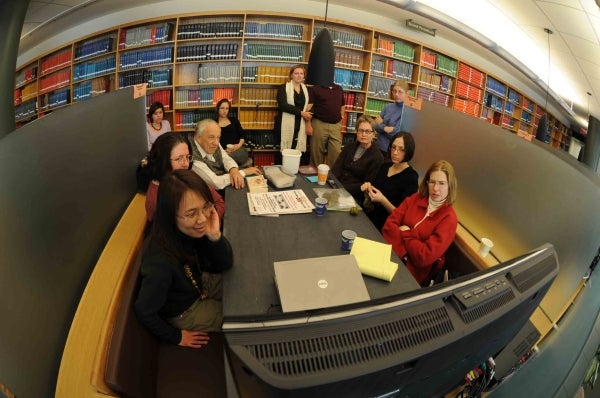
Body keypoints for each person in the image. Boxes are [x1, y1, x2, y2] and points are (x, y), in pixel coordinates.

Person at [135, 169, 233, 347]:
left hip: (197, 283)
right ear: (170, 215)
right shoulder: (159, 261)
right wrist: (176, 337)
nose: (202, 219)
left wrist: (215, 236)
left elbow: (226, 263)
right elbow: (144, 310)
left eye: (206, 207)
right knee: (239, 314)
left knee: (241, 286)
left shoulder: (192, 230)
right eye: (191, 214)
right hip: (185, 310)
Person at [382, 160, 458, 287]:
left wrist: (406, 233)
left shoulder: (449, 219)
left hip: (411, 274)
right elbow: (389, 226)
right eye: (432, 182)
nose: (435, 188)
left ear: (450, 186)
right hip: (389, 254)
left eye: (442, 183)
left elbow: (424, 257)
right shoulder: (416, 198)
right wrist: (407, 252)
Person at [139, 132, 225, 223]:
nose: (186, 164)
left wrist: (209, 220)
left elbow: (219, 201)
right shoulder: (156, 198)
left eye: (187, 157)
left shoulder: (188, 174)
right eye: (178, 159)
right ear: (162, 162)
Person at [360, 132, 418, 231]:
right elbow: (374, 190)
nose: (395, 152)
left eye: (401, 149)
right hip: (369, 216)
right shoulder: (385, 166)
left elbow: (402, 216)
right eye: (393, 147)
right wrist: (368, 189)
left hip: (386, 225)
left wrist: (383, 200)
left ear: (409, 152)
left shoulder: (411, 177)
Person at [189, 119, 262, 191]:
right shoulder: (191, 157)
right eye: (211, 137)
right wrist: (243, 172)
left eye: (218, 137)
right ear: (199, 138)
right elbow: (216, 183)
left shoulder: (214, 140)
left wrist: (233, 170)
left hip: (225, 177)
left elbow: (225, 157)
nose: (216, 143)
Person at [331, 115, 384, 203]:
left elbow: (366, 185)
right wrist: (333, 185)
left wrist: (341, 188)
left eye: (367, 131)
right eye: (361, 131)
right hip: (336, 188)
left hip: (355, 196)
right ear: (356, 132)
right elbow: (336, 169)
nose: (363, 134)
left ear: (373, 134)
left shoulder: (377, 157)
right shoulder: (348, 147)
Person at [275, 65, 312, 154]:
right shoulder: (283, 88)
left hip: (301, 124)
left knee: (297, 152)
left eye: (301, 73)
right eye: (296, 73)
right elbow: (283, 105)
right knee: (285, 152)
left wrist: (307, 120)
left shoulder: (306, 89)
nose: (299, 76)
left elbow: (308, 107)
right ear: (291, 75)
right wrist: (301, 113)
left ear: (304, 76)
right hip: (284, 123)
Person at [308, 81, 345, 168]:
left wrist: (341, 117)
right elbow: (308, 108)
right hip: (319, 124)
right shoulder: (315, 88)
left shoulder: (339, 88)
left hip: (335, 125)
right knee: (316, 154)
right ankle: (314, 178)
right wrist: (308, 124)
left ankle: (332, 179)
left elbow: (342, 105)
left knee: (335, 153)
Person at [374, 80, 409, 156]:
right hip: (378, 146)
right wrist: (386, 128)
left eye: (400, 92)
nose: (396, 94)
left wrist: (382, 124)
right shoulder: (388, 107)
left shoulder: (407, 111)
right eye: (394, 91)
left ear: (406, 93)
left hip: (392, 150)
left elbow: (396, 133)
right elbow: (375, 125)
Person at [215, 98, 251, 167]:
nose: (224, 111)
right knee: (221, 156)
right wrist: (224, 151)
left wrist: (238, 146)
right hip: (223, 151)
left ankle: (226, 163)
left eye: (227, 108)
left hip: (238, 150)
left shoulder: (234, 121)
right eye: (222, 108)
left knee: (238, 155)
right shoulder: (214, 123)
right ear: (218, 109)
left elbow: (243, 136)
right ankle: (229, 164)